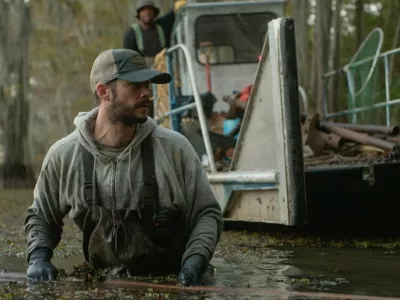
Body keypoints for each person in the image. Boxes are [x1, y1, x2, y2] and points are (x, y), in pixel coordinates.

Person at [23, 48, 223, 286]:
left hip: (176, 283)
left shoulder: (174, 149)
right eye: (135, 85)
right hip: (102, 284)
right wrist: (38, 258)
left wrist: (195, 261)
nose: (146, 93)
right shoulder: (64, 155)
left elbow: (206, 214)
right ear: (103, 91)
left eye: (147, 85)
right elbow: (41, 217)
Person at [123, 0, 185, 66]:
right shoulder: (131, 34)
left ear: (154, 12)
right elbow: (129, 59)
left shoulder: (162, 27)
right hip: (143, 70)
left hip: (165, 68)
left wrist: (178, 6)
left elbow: (172, 14)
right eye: (143, 10)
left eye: (149, 9)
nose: (147, 12)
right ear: (139, 14)